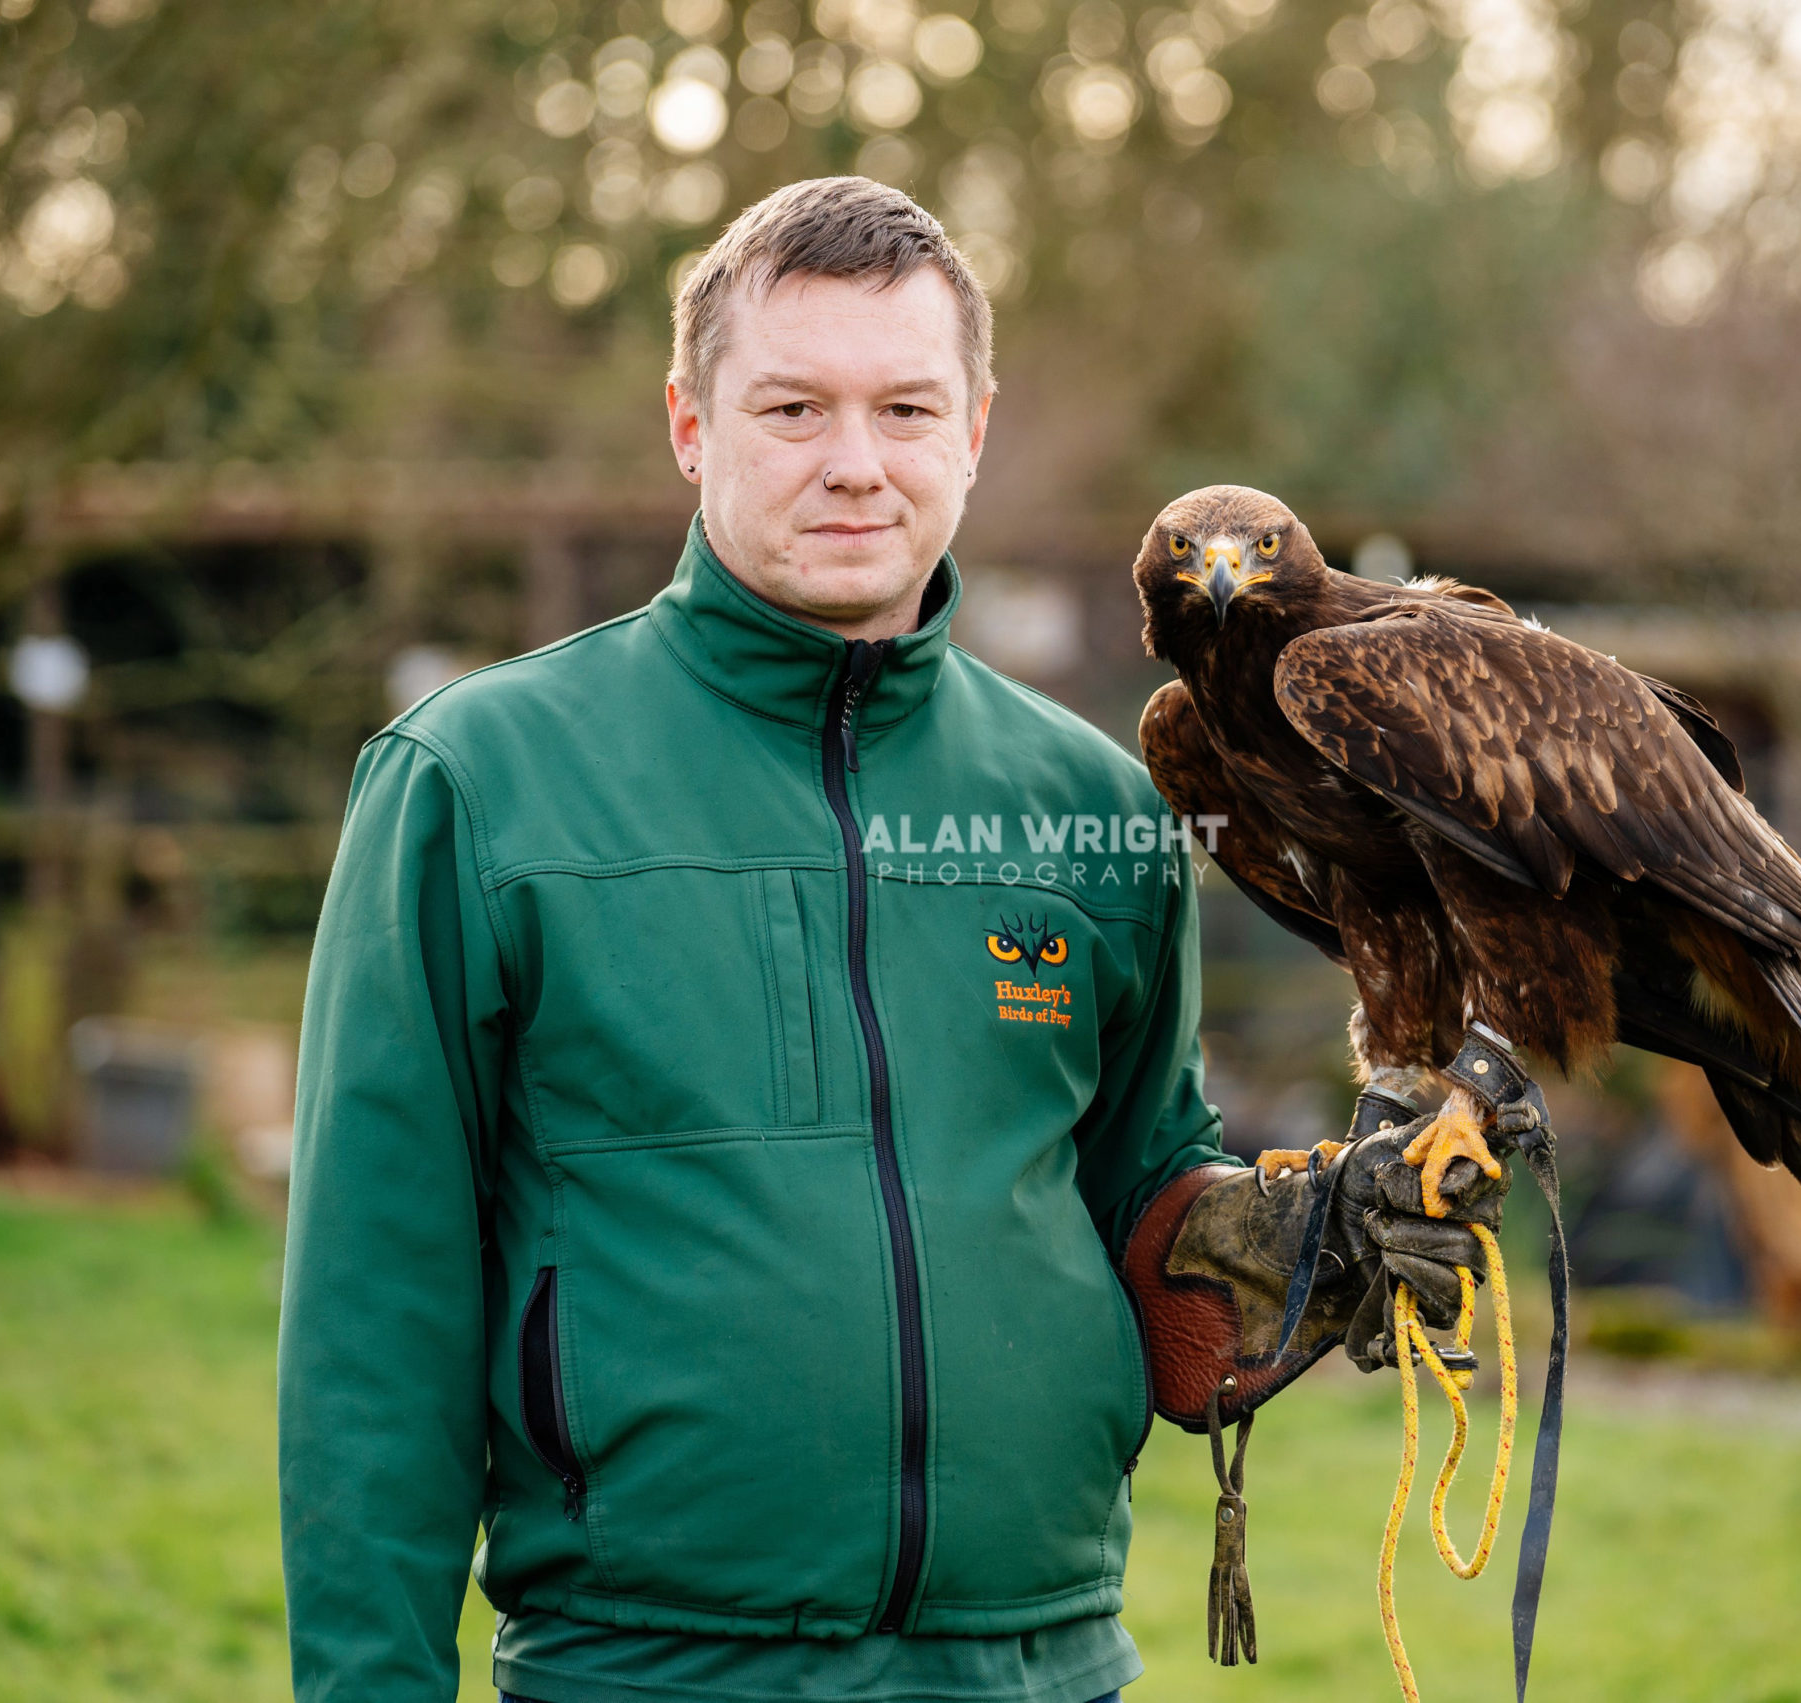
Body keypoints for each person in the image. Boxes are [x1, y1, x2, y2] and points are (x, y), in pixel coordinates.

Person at [278, 175, 1501, 1703]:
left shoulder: (1097, 806)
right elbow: (371, 1323)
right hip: (649, 1676)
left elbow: (1141, 1188)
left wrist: (1305, 1235)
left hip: (1041, 1672)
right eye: (793, 408)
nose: (855, 465)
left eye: (907, 410)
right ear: (689, 426)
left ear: (973, 432)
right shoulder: (479, 783)